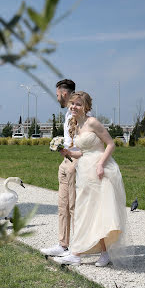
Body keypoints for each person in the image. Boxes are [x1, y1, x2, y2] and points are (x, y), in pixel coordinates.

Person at [54, 91, 128, 267]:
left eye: (78, 104)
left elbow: (110, 144)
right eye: (72, 104)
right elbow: (84, 152)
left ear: (86, 107)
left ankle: (79, 254)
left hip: (98, 170)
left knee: (96, 211)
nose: (74, 107)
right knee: (87, 211)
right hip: (84, 171)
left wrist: (101, 164)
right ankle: (97, 253)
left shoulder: (92, 122)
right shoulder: (76, 124)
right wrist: (69, 153)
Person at [41, 79, 80, 257]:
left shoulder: (79, 112)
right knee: (62, 205)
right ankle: (62, 244)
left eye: (57, 95)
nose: (57, 98)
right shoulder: (67, 114)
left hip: (75, 162)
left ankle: (77, 247)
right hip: (65, 162)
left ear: (64, 93)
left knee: (73, 206)